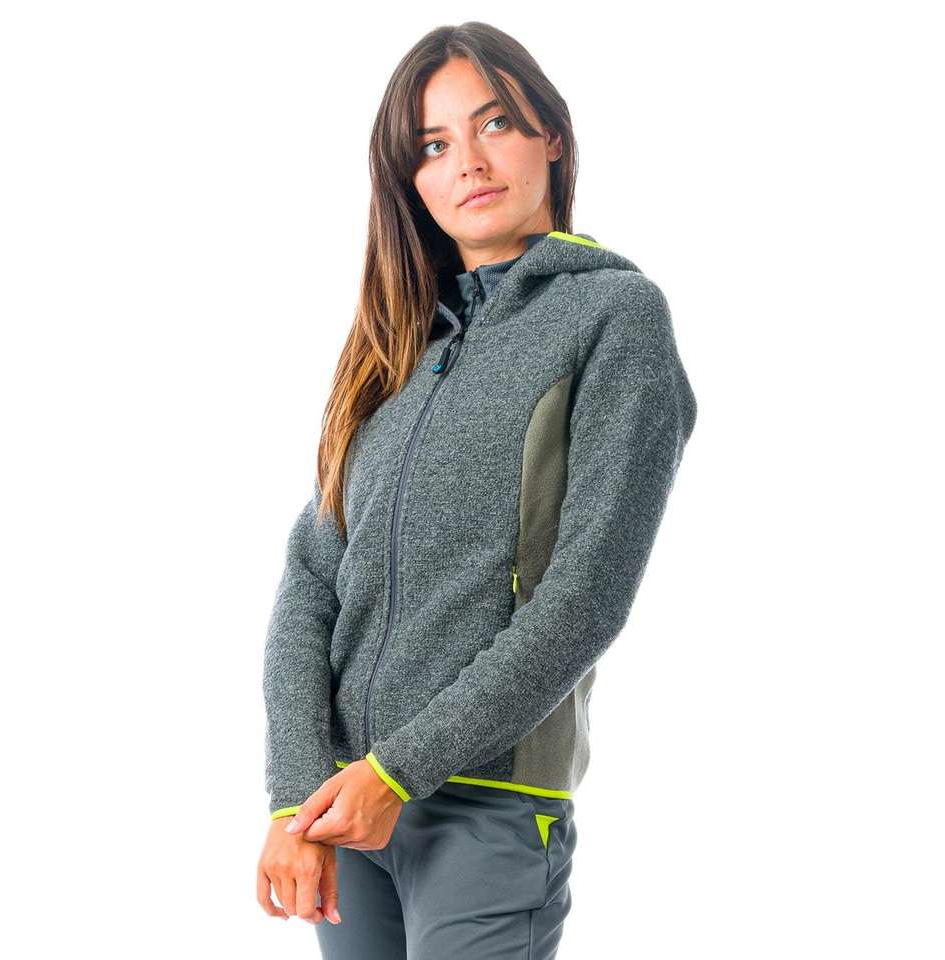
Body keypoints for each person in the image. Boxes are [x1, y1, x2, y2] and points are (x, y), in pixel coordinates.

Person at [256, 21, 697, 960]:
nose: (469, 161)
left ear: (552, 136)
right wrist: (294, 796)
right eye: (433, 144)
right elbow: (311, 581)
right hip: (345, 813)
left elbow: (585, 597)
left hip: (487, 803)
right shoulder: (392, 346)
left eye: (495, 122)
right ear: (409, 181)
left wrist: (399, 769)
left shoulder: (614, 317)